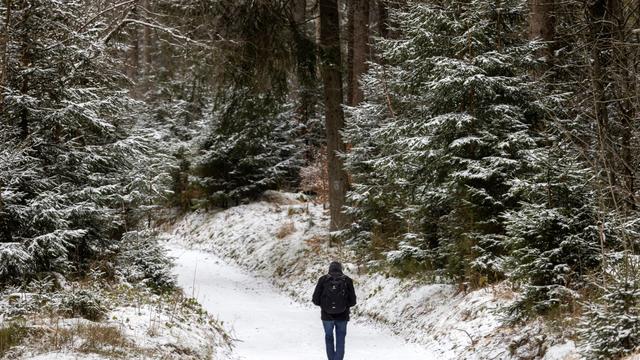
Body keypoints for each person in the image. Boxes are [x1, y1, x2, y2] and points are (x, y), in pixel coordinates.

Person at [312, 261, 357, 360]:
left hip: (326, 316)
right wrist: (344, 306)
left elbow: (315, 299)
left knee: (329, 338)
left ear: (329, 269)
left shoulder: (323, 279)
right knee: (340, 339)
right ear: (341, 269)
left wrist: (324, 306)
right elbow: (353, 301)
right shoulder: (347, 280)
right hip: (343, 316)